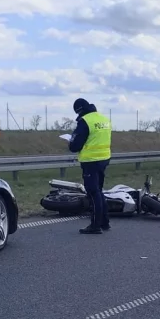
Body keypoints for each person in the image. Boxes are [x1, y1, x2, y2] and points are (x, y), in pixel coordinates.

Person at [67, 98, 112, 234]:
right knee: (99, 190)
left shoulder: (85, 122)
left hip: (90, 161)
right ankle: (105, 222)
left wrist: (71, 140)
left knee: (93, 193)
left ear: (79, 110)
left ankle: (95, 225)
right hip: (104, 158)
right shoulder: (104, 119)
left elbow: (75, 146)